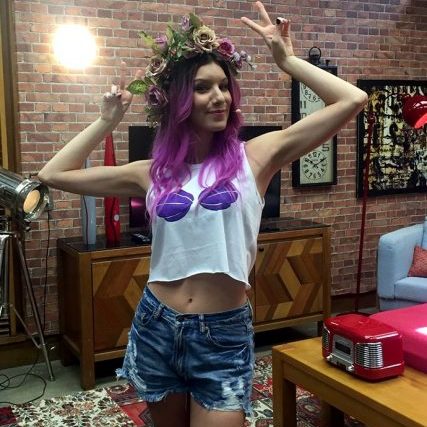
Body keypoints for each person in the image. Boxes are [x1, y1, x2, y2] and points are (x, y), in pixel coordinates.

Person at [38, 2, 368, 426]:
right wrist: (106, 120)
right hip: (157, 326)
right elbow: (54, 174)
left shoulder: (256, 157)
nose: (220, 97)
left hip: (223, 334)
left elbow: (352, 99)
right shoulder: (150, 173)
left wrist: (287, 61)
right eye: (202, 87)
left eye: (224, 86)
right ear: (178, 100)